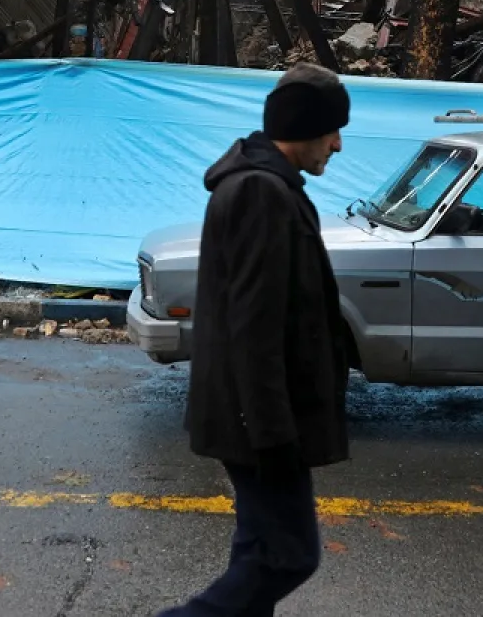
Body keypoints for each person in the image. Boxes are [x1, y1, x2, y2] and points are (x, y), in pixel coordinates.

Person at [159, 63, 352, 617]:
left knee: (260, 549)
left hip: (256, 421)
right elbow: (253, 328)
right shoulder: (261, 195)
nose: (338, 145)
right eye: (332, 131)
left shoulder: (268, 187)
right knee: (287, 558)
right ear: (307, 127)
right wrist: (270, 435)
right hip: (259, 425)